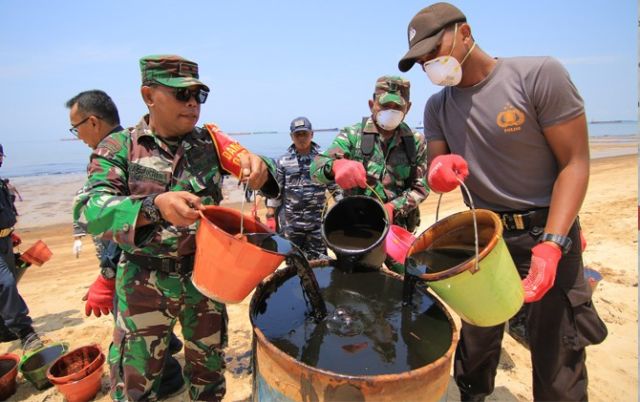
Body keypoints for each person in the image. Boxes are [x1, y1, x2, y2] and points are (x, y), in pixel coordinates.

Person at [398, 3, 608, 400]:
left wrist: (553, 243)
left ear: (464, 32)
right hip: (483, 236)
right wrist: (439, 172)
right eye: (422, 60)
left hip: (546, 229)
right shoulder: (438, 106)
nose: (431, 63)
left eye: (434, 49)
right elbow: (437, 170)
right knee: (477, 340)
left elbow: (575, 163)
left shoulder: (537, 76)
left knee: (557, 353)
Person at [73, 54, 277, 401]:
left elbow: (261, 171)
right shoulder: (120, 147)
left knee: (209, 376)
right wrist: (155, 206)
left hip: (206, 281)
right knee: (135, 382)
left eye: (199, 95)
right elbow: (90, 211)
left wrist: (261, 167)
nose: (193, 103)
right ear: (149, 95)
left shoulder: (209, 144)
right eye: (182, 95)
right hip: (143, 285)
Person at [66, 89, 185, 398]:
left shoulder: (125, 153)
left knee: (138, 337)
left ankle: (168, 381)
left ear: (92, 122)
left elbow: (130, 214)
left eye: (75, 128)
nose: (77, 136)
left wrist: (107, 273)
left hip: (135, 264)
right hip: (142, 264)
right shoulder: (131, 149)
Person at [310, 75, 429, 273]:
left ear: (407, 108)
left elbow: (422, 186)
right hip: (356, 231)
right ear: (372, 104)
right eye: (385, 105)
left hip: (397, 231)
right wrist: (336, 166)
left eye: (397, 107)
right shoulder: (352, 136)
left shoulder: (416, 142)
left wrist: (394, 207)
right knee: (354, 288)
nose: (391, 111)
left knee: (409, 284)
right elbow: (315, 170)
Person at [265, 117, 341, 260]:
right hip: (291, 225)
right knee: (294, 264)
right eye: (297, 134)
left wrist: (343, 205)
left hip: (317, 224)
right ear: (291, 136)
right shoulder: (282, 161)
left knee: (319, 263)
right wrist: (270, 212)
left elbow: (334, 187)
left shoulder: (323, 159)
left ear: (312, 134)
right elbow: (277, 190)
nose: (301, 138)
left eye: (304, 134)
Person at [0, 144, 43, 351]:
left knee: (11, 280)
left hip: (5, 241)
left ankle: (3, 329)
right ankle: (26, 332)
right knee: (5, 283)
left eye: (0, 155)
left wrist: (9, 233)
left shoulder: (2, 185)